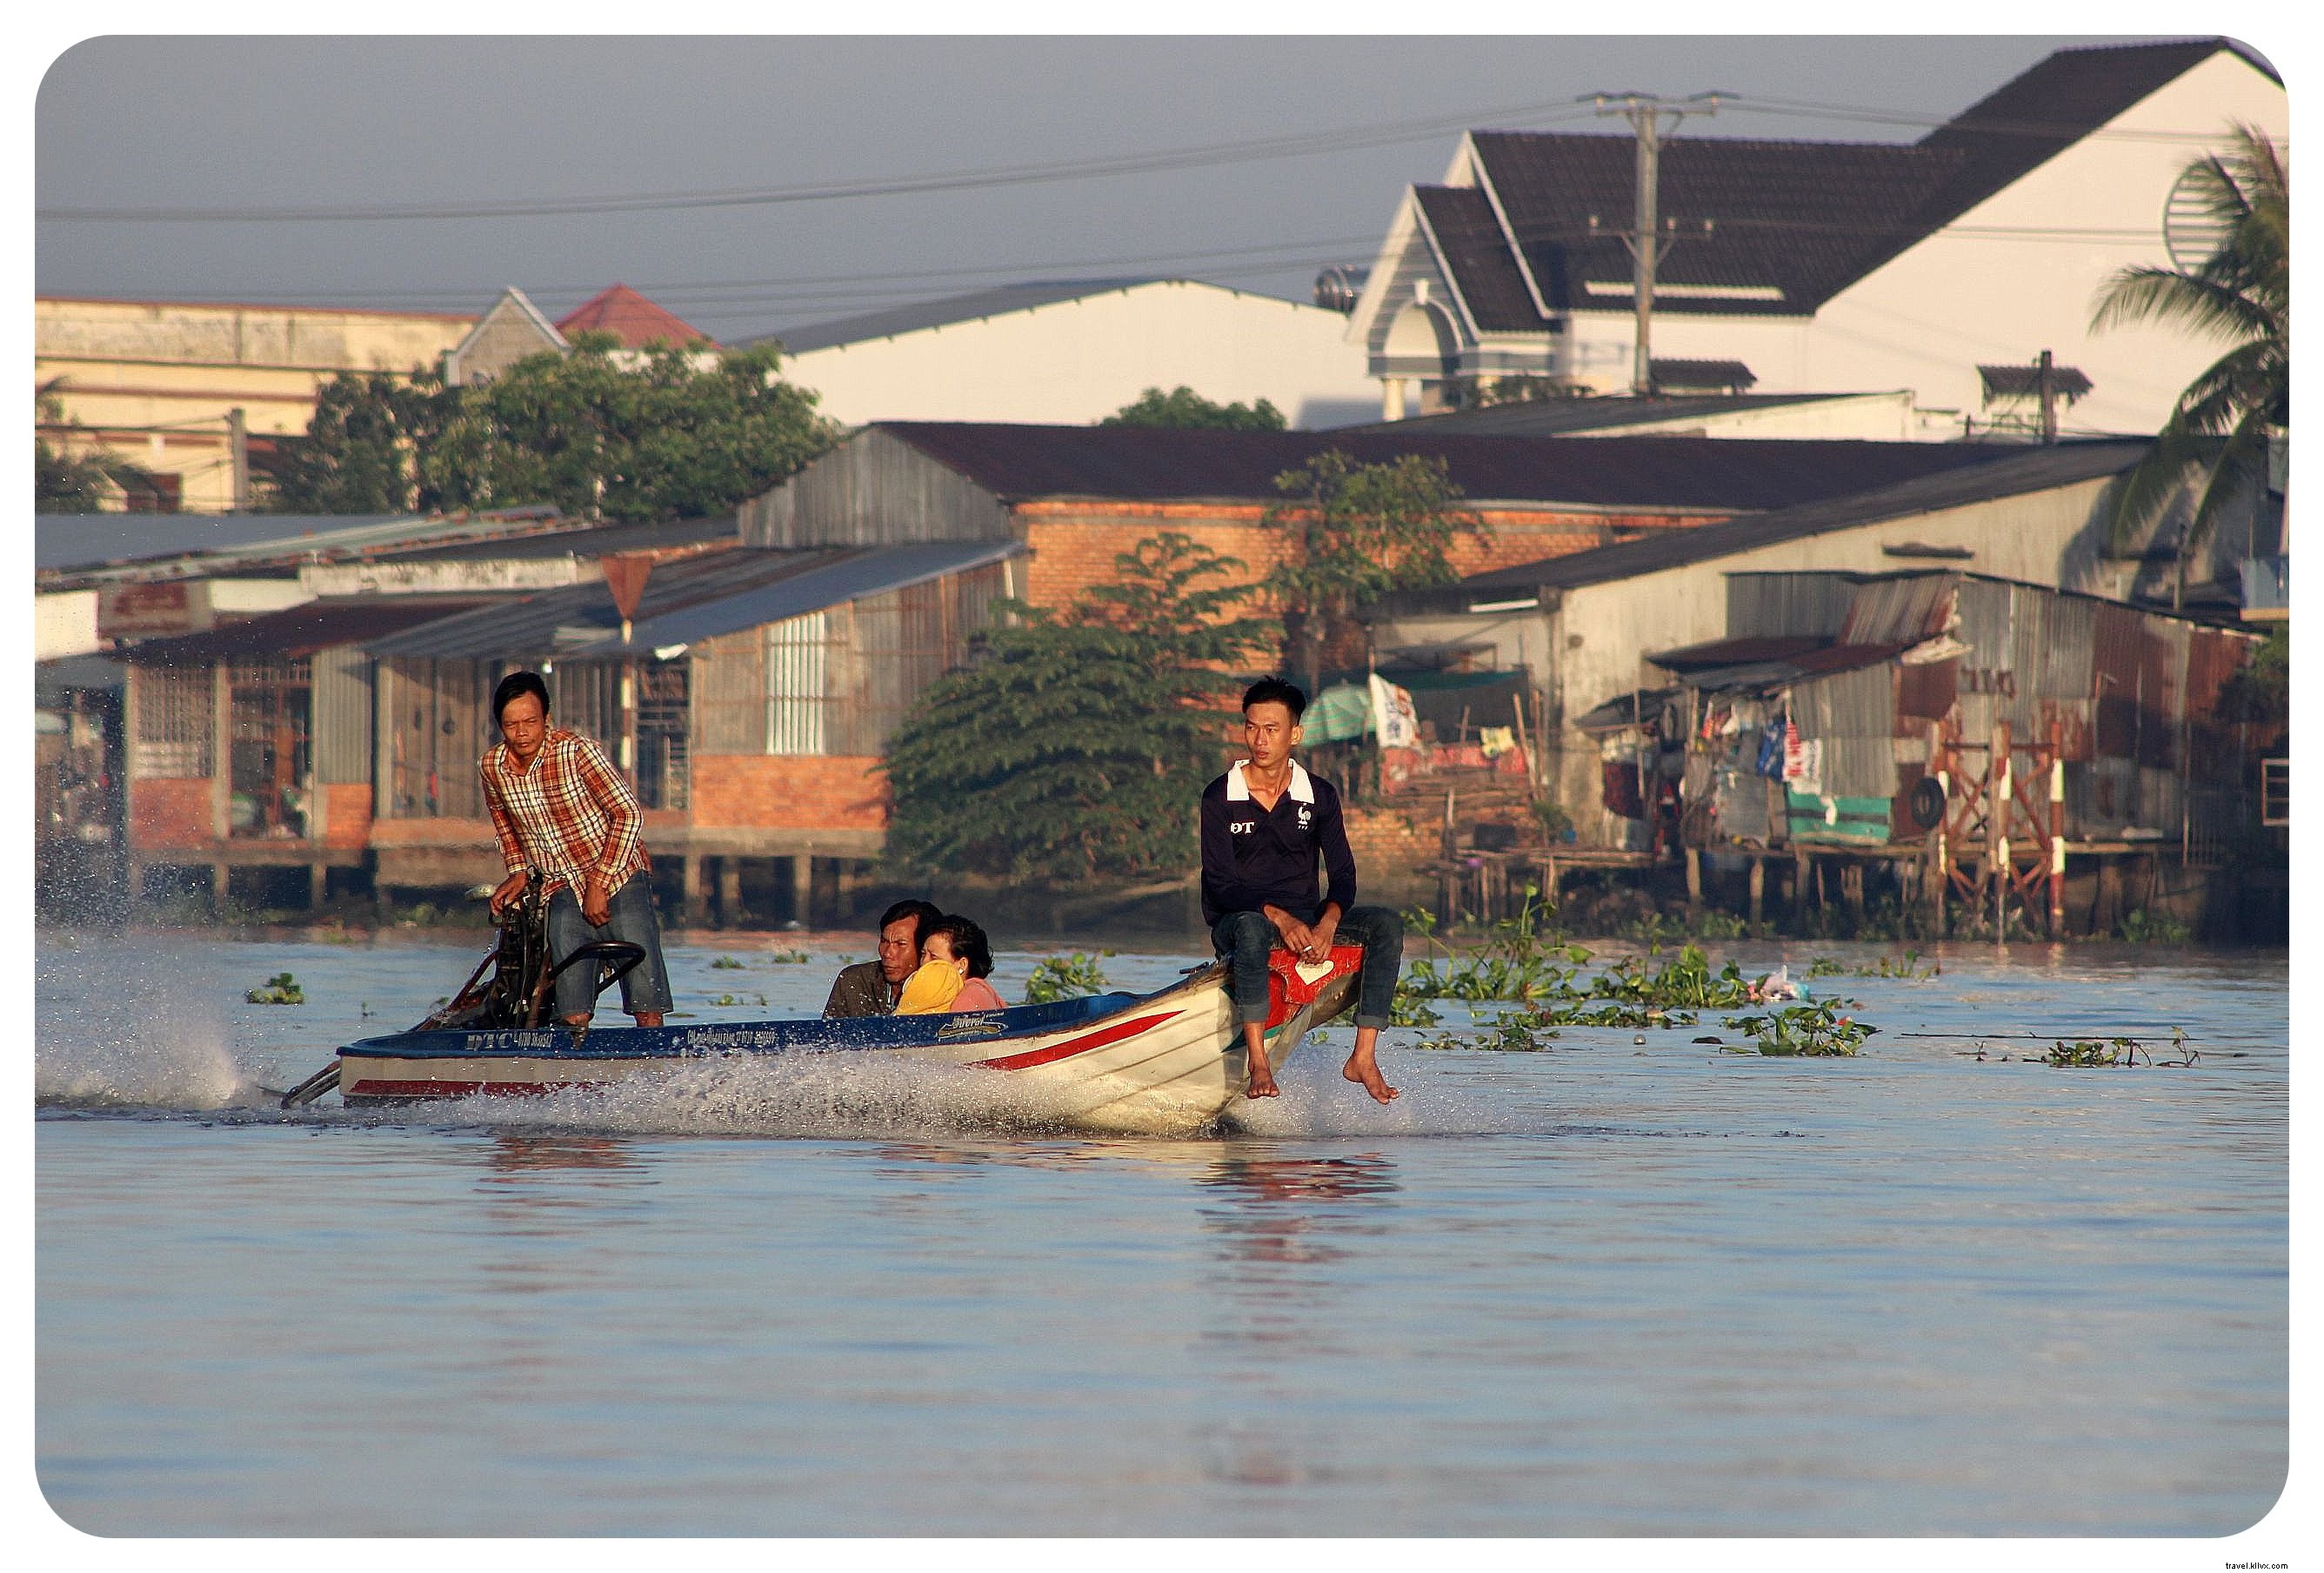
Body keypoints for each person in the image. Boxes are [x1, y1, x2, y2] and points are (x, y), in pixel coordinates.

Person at [1200, 676, 1404, 1104]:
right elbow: (1220, 885)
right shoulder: (1220, 796)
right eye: (1252, 727)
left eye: (1272, 730)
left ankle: (1363, 1056)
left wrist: (1329, 922)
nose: (1260, 739)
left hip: (1308, 918)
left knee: (1385, 923)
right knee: (1254, 928)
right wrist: (1280, 917)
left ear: (1295, 735)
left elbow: (1344, 876)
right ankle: (1258, 1060)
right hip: (1239, 920)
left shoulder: (1319, 796)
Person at [481, 671, 673, 1031]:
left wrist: (599, 883)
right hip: (561, 886)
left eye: (530, 722)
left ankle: (656, 1066)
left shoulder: (576, 751)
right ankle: (572, 1070)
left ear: (547, 719)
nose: (522, 733)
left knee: (646, 1003)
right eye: (511, 725)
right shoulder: (493, 767)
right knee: (572, 1008)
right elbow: (503, 821)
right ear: (500, 726)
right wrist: (519, 871)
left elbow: (627, 813)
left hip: (618, 876)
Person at [823, 899, 944, 1018]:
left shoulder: (946, 986)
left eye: (900, 944)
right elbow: (826, 1035)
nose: (887, 953)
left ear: (925, 948)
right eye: (884, 941)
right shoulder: (854, 981)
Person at [914, 916, 1005, 1013]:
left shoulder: (972, 994)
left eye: (934, 957)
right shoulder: (940, 995)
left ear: (961, 965)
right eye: (923, 954)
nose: (924, 962)